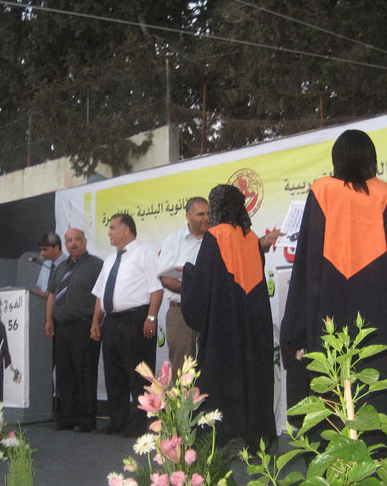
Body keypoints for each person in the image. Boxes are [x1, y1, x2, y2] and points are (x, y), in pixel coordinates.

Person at [280, 129, 387, 420]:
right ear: (372, 158)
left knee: (330, 387)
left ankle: (333, 443)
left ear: (337, 159)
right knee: (373, 383)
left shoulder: (321, 191)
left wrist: (295, 327)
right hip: (376, 310)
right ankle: (373, 441)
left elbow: (306, 262)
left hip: (328, 308)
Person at [181, 184, 277, 448]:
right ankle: (256, 440)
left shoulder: (215, 236)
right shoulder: (252, 238)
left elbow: (202, 287)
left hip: (224, 329)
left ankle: (215, 441)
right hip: (254, 327)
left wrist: (188, 272)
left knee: (219, 382)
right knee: (253, 380)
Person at [91, 213, 163, 437]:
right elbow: (100, 294)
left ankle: (141, 424)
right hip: (111, 321)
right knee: (114, 374)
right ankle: (117, 421)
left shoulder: (145, 253)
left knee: (140, 374)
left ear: (126, 229)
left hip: (136, 318)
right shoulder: (109, 260)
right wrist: (95, 321)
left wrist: (151, 317)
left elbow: (156, 289)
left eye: (113, 228)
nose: (109, 233)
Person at [45, 227, 104, 432]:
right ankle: (67, 417)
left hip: (84, 325)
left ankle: (86, 420)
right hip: (62, 326)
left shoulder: (96, 265)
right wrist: (48, 320)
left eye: (77, 239)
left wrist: (96, 322)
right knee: (64, 373)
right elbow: (52, 294)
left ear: (85, 242)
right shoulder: (61, 267)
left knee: (85, 373)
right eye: (69, 240)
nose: (73, 244)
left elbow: (100, 296)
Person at [157, 197, 210, 374]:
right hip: (180, 312)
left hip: (210, 312)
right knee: (182, 370)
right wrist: (194, 291)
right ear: (188, 216)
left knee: (212, 364)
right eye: (200, 214)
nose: (206, 218)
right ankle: (184, 395)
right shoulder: (173, 241)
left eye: (208, 213)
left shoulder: (216, 239)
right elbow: (165, 277)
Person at [35, 232, 67, 298]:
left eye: (45, 249)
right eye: (41, 250)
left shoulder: (69, 263)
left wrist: (49, 296)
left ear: (56, 248)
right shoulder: (46, 263)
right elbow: (39, 288)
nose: (42, 253)